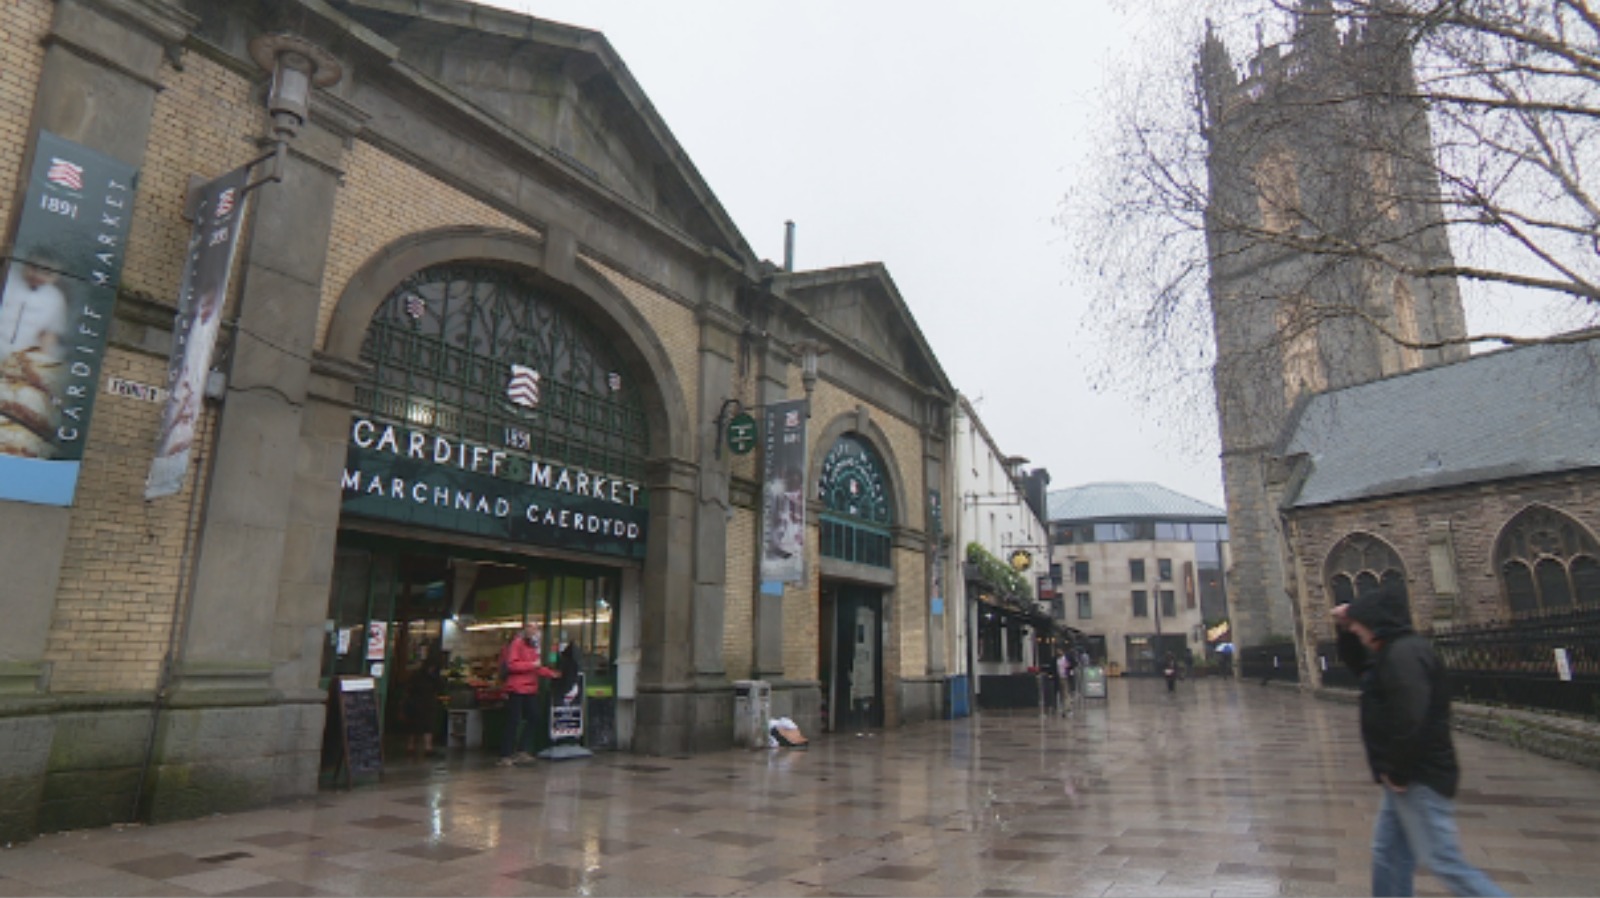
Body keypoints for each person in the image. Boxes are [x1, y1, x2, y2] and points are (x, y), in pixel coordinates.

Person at [1333, 583, 1507, 897]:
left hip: (1418, 775)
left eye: (1359, 627)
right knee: (1388, 853)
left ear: (1375, 623)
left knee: (1444, 861)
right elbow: (1360, 668)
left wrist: (1398, 772)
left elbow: (1412, 717)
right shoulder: (1390, 652)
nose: (1357, 632)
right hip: (1404, 774)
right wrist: (1345, 627)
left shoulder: (1405, 655)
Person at [499, 623, 557, 767]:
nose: (537, 633)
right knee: (514, 721)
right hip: (517, 688)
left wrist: (552, 674)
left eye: (537, 630)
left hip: (530, 689)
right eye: (535, 629)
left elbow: (536, 667)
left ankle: (521, 750)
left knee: (534, 717)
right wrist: (532, 665)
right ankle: (506, 754)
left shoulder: (533, 646)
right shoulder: (517, 644)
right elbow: (512, 665)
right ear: (528, 631)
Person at [0, 253, 68, 361]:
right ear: (25, 264)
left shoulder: (55, 297)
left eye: (47, 273)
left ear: (56, 276)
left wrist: (42, 358)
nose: (38, 276)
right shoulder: (5, 278)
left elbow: (49, 333)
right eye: (34, 268)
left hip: (23, 354)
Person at [399, 654, 444, 761]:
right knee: (427, 726)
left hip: (414, 703)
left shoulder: (416, 675)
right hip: (427, 704)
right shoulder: (433, 677)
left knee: (413, 727)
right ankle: (427, 748)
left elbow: (408, 688)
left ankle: (411, 747)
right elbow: (440, 688)